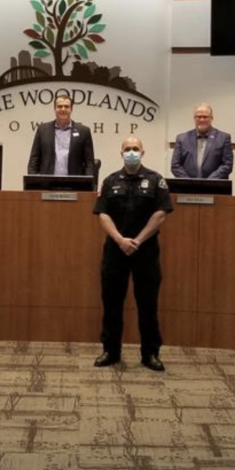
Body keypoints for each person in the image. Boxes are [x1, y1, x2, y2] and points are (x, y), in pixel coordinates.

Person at [93, 137, 174, 371]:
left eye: (135, 149)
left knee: (147, 304)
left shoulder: (156, 180)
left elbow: (161, 214)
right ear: (121, 153)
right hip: (115, 251)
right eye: (127, 149)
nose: (131, 153)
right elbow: (102, 215)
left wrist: (137, 241)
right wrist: (120, 240)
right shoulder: (110, 181)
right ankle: (111, 351)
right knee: (111, 303)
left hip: (145, 251)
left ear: (143, 152)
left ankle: (150, 353)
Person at [27, 94, 95, 176]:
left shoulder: (84, 131)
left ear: (71, 109)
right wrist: (33, 182)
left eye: (66, 106)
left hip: (75, 185)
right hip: (47, 184)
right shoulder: (42, 130)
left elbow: (89, 163)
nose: (63, 109)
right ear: (54, 109)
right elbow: (34, 159)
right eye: (59, 106)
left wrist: (88, 183)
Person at [170, 103, 233, 179]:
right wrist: (190, 183)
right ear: (194, 118)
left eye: (205, 117)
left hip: (215, 187)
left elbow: (227, 165)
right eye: (199, 117)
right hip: (187, 188)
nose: (202, 120)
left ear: (211, 118)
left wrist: (207, 183)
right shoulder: (182, 138)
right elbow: (175, 165)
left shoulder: (224, 138)